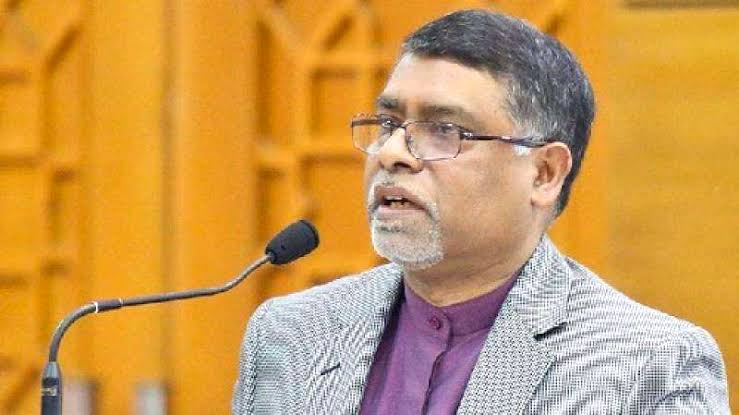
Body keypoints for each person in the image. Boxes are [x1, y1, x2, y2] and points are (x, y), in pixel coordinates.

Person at [232, 9, 730, 414]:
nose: (392, 153)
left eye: (444, 130)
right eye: (388, 123)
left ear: (544, 173)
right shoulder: (292, 333)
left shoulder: (650, 366)